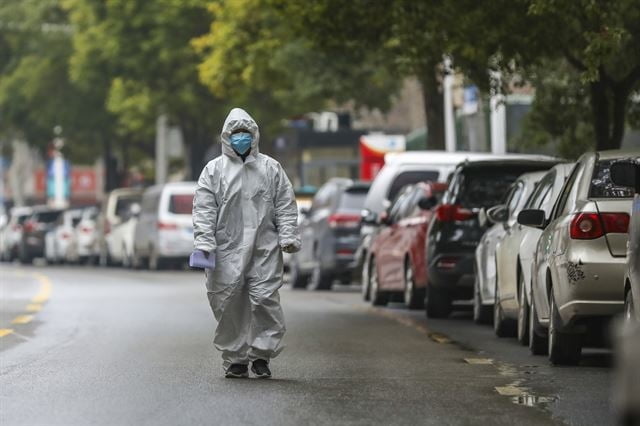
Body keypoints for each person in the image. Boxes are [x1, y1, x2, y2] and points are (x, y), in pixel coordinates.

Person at [192, 108, 300, 379]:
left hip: (264, 247)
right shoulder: (214, 170)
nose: (241, 138)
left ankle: (261, 356)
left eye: (246, 134)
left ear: (255, 136)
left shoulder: (270, 168)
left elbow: (285, 205)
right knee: (228, 302)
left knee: (264, 299)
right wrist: (204, 243)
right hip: (227, 248)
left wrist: (287, 235)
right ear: (227, 137)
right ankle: (236, 359)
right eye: (236, 134)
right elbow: (204, 209)